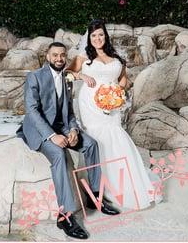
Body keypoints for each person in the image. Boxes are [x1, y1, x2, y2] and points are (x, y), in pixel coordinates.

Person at [18, 42, 119, 240]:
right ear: (47, 57)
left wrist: (73, 129)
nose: (59, 59)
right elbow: (32, 111)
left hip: (62, 126)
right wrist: (52, 135)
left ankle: (94, 196)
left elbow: (69, 112)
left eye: (62, 55)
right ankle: (65, 216)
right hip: (40, 130)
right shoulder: (35, 77)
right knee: (59, 155)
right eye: (54, 55)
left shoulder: (68, 77)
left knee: (91, 144)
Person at [66, 19, 162, 211]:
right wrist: (81, 76)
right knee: (97, 139)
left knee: (116, 135)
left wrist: (119, 91)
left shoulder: (116, 56)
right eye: (93, 35)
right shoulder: (83, 57)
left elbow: (123, 79)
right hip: (90, 104)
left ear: (105, 36)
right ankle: (96, 186)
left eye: (100, 34)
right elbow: (67, 72)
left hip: (112, 103)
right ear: (89, 38)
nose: (97, 38)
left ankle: (122, 185)